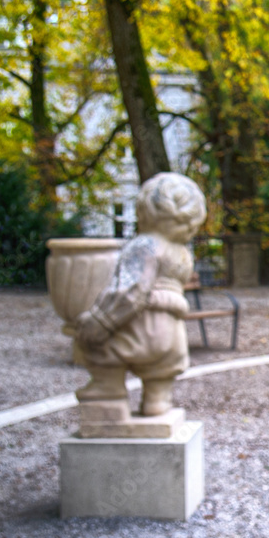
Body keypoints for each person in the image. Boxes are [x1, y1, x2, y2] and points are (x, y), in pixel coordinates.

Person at [75, 173, 206, 417]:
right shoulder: (182, 253)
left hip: (141, 330)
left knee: (96, 345)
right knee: (160, 381)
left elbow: (130, 292)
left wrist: (99, 322)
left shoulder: (145, 245)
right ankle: (157, 403)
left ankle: (108, 393)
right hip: (173, 337)